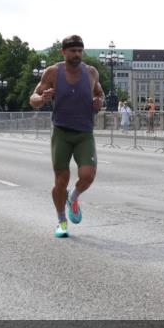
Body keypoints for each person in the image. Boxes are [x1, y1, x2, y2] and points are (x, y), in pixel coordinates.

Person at [29, 35, 106, 238]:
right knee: (61, 180)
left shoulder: (91, 73)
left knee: (88, 176)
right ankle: (62, 221)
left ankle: (74, 196)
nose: (77, 55)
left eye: (80, 51)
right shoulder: (53, 72)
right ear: (64, 52)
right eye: (72, 51)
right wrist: (42, 98)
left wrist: (99, 101)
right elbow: (33, 98)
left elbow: (100, 93)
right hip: (61, 133)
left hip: (84, 133)